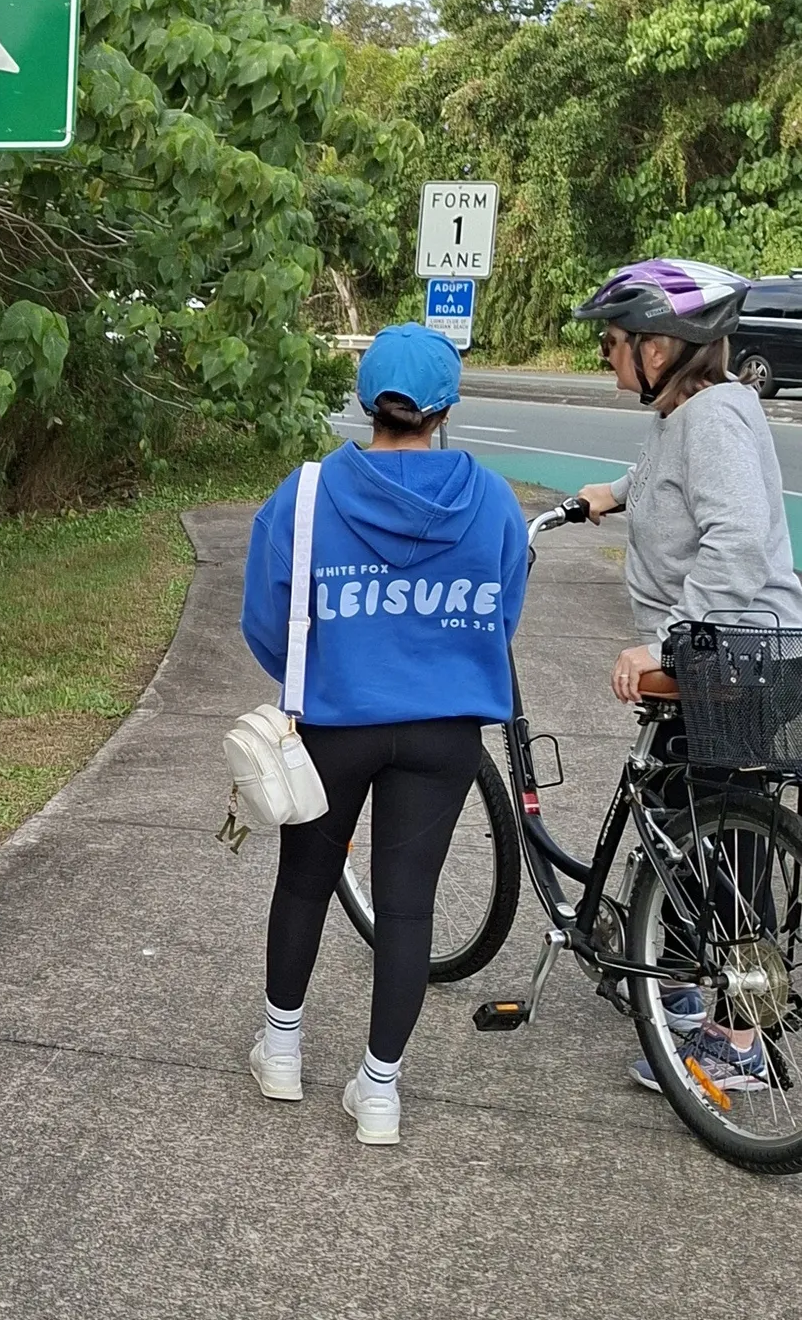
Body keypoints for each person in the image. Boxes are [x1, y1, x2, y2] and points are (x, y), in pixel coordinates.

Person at [241, 324, 528, 1145]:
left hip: (336, 724)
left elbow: (268, 621)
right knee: (408, 910)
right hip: (444, 734)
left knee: (303, 882)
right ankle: (378, 1092)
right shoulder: (495, 500)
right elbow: (501, 613)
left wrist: (327, 671)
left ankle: (284, 1051)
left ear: (368, 399)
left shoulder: (303, 496)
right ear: (445, 408)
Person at [570, 257, 802, 1092]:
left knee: (729, 854)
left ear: (662, 349)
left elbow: (735, 544)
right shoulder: (686, 417)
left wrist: (663, 643)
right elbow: (670, 476)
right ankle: (673, 980)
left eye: (614, 342)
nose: (607, 356)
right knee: (680, 821)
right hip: (722, 659)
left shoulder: (713, 422)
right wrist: (616, 492)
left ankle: (740, 1045)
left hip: (732, 663)